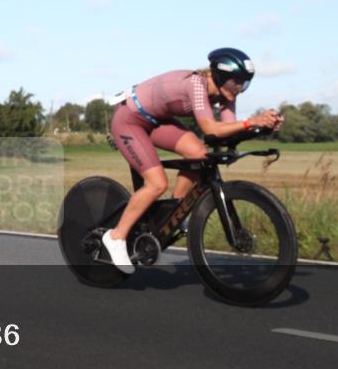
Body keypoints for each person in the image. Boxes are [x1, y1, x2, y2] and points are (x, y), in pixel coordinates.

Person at [103, 48, 283, 273]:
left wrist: (261, 127)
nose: (240, 88)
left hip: (157, 121)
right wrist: (250, 122)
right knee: (156, 183)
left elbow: (228, 131)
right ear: (219, 76)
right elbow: (210, 128)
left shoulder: (226, 95)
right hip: (130, 119)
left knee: (199, 154)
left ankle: (172, 214)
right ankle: (116, 237)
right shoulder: (196, 84)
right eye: (236, 82)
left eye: (244, 83)